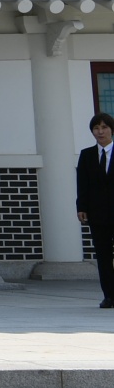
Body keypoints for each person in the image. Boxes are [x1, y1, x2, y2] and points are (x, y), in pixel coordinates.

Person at [78, 112, 114, 309]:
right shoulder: (87, 155)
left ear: (111, 129)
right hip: (98, 214)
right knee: (103, 256)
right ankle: (109, 295)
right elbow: (82, 183)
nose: (100, 132)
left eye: (104, 127)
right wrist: (81, 207)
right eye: (96, 128)